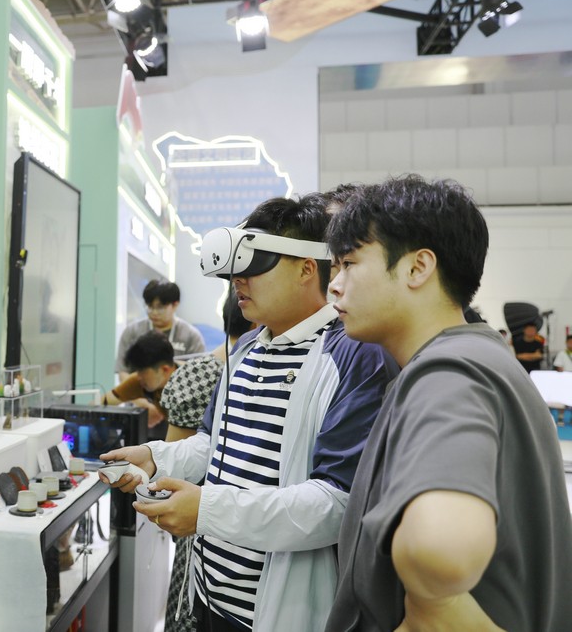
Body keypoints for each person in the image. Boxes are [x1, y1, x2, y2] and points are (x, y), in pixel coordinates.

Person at [100, 193, 396, 632]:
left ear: (306, 269)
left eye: (255, 264)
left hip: (277, 611)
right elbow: (212, 443)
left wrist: (207, 510)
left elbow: (336, 503)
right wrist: (156, 458)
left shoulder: (353, 355)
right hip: (208, 596)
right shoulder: (245, 349)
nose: (238, 279)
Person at [324, 175, 572, 631]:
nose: (334, 286)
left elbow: (440, 551)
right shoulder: (479, 356)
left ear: (418, 268)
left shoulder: (447, 374)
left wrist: (431, 608)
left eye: (349, 263)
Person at [161, 289, 252, 632]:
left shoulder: (195, 373)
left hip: (197, 524)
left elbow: (173, 466)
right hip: (230, 526)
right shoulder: (227, 371)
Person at [116, 280, 205, 382]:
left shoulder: (191, 336)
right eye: (150, 307)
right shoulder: (132, 332)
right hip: (139, 390)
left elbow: (199, 373)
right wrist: (136, 391)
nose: (154, 312)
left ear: (175, 305)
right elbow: (123, 371)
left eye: (160, 308)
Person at [102, 330, 178, 439]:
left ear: (164, 370)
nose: (138, 377)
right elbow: (102, 402)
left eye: (142, 372)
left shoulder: (189, 388)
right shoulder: (140, 381)